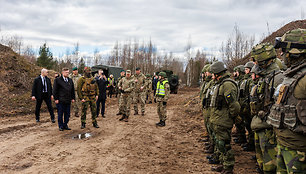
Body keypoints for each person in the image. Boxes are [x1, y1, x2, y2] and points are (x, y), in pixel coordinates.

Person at [267, 28, 306, 173]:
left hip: (299, 151)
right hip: (285, 145)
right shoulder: (290, 76)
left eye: (284, 50)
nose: (281, 55)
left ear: (295, 52)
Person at [249, 43, 284, 174]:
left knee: (270, 168)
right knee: (262, 165)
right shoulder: (265, 78)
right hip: (260, 126)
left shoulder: (278, 78)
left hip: (269, 130)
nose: (255, 64)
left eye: (257, 61)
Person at [209, 61, 240, 174]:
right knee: (220, 144)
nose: (211, 76)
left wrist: (232, 117)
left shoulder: (227, 85)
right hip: (218, 120)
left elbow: (234, 106)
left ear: (218, 73)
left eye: (213, 73)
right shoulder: (220, 84)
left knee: (224, 145)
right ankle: (223, 164)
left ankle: (228, 167)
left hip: (223, 121)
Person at [240, 61, 255, 152]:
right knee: (247, 125)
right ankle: (250, 142)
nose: (245, 71)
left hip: (249, 107)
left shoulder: (251, 81)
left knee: (251, 127)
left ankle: (251, 144)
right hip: (245, 106)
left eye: (247, 69)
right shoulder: (245, 80)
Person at [232, 65, 247, 145]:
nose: (234, 73)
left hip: (242, 104)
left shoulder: (243, 81)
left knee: (242, 123)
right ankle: (240, 136)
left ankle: (243, 138)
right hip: (239, 103)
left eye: (236, 72)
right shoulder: (237, 81)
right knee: (238, 123)